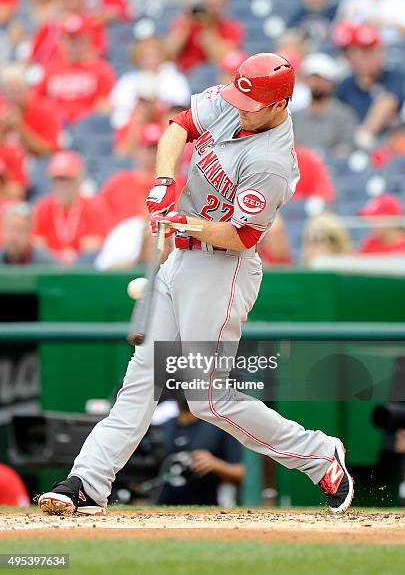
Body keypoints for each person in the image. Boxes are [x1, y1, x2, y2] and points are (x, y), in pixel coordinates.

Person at [37, 53, 354, 517]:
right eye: (239, 94)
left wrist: (185, 220)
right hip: (181, 258)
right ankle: (88, 483)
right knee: (139, 384)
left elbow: (241, 235)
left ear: (279, 104)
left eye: (251, 102)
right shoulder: (235, 101)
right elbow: (177, 128)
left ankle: (318, 455)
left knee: (208, 398)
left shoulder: (271, 162)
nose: (239, 106)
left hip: (222, 269)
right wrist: (165, 182)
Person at [157, 399, 244, 506]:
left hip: (207, 506)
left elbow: (244, 474)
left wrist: (216, 465)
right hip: (161, 505)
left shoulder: (218, 426)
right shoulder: (164, 426)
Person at [34, 13, 115, 124]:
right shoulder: (50, 69)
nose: (72, 45)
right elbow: (36, 100)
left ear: (88, 40)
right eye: (68, 39)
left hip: (86, 127)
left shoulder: (101, 70)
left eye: (77, 39)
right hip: (55, 125)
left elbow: (104, 104)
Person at [33, 151, 111, 264]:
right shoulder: (42, 207)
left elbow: (93, 247)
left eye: (68, 179)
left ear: (79, 178)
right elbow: (37, 246)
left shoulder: (94, 206)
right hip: (50, 268)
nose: (63, 185)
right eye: (58, 179)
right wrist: (59, 257)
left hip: (83, 271)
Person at [335, 23, 405, 149]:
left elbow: (388, 102)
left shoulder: (394, 76)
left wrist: (364, 135)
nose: (372, 57)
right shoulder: (344, 86)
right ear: (350, 57)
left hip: (387, 142)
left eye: (374, 51)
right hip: (352, 144)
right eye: (364, 52)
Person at [101, 122, 184, 226]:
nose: (153, 153)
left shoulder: (175, 182)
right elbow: (101, 213)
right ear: (138, 149)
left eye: (158, 148)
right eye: (149, 148)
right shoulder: (118, 181)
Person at [166, 0, 244, 72]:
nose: (211, 9)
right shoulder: (185, 22)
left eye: (217, 3)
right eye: (209, 3)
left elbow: (223, 58)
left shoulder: (231, 27)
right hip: (185, 73)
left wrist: (208, 28)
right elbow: (168, 54)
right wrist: (185, 25)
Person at [293, 53, 358, 157]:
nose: (316, 83)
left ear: (331, 82)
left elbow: (346, 148)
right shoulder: (295, 116)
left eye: (321, 79)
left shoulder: (344, 115)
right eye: (312, 78)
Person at [0, 63, 61, 155]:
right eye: (9, 91)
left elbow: (48, 151)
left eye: (17, 91)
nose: (13, 96)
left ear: (28, 90)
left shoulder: (44, 110)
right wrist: (3, 129)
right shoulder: (3, 111)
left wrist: (20, 128)